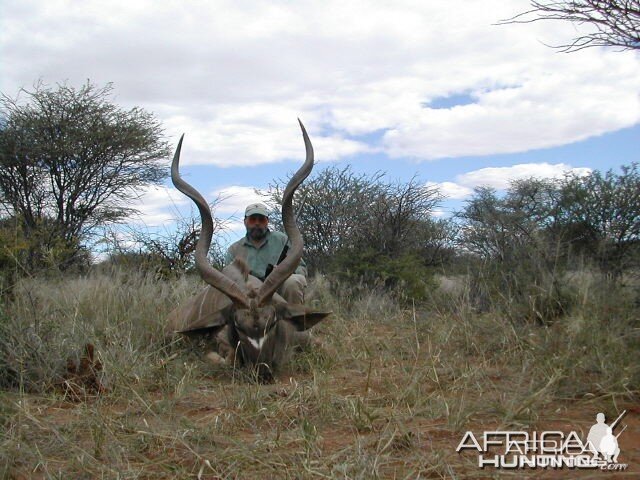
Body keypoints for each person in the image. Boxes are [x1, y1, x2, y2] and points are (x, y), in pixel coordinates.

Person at [224, 202, 307, 304]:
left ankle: (294, 318)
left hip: (277, 289)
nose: (257, 223)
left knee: (292, 282)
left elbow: (300, 267)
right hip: (248, 296)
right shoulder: (234, 249)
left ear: (267, 221)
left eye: (261, 220)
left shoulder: (282, 240)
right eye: (252, 219)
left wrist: (284, 272)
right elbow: (227, 277)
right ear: (245, 221)